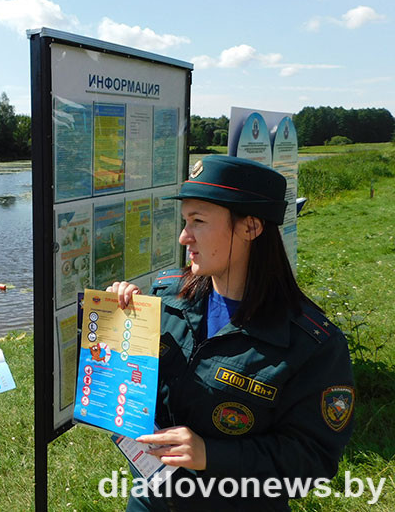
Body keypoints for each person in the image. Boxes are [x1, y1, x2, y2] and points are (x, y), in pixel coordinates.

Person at [108, 155, 354, 511]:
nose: (183, 236)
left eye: (199, 221)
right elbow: (126, 393)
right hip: (151, 501)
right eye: (184, 221)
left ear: (251, 228)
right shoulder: (166, 299)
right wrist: (117, 326)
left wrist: (211, 454)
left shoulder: (312, 344)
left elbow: (312, 463)